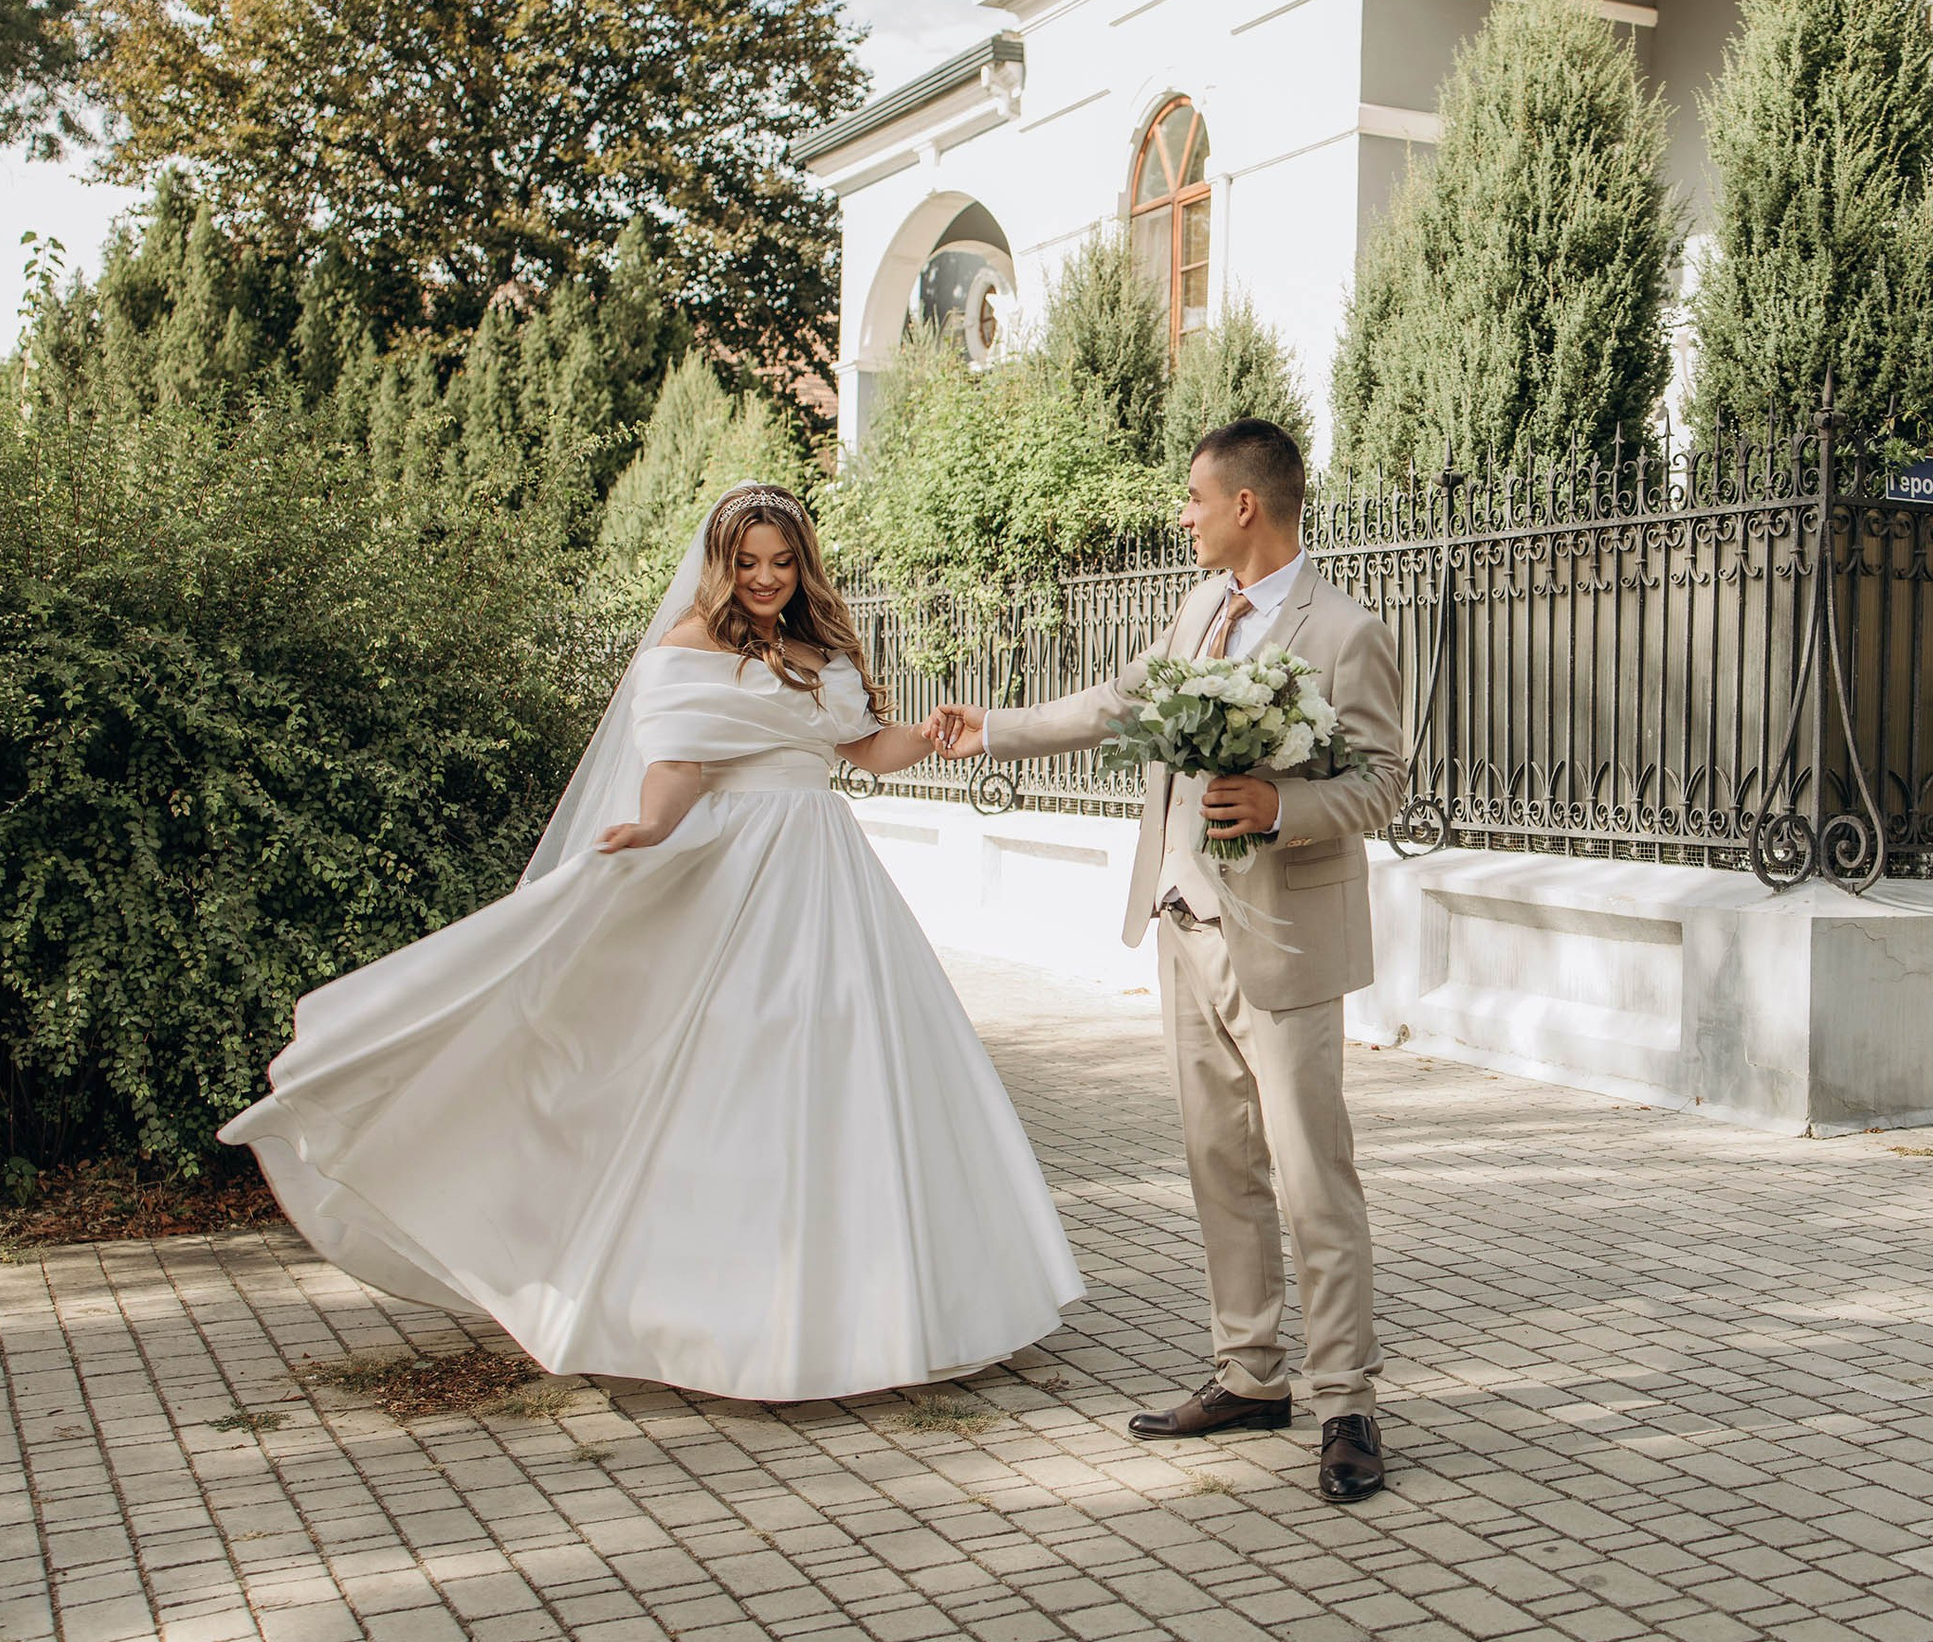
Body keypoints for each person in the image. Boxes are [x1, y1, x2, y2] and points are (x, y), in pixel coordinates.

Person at [219, 484, 1083, 1403]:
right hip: (738, 872)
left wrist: (934, 736)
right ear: (721, 564)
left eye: (781, 562)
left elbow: (864, 752)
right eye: (747, 563)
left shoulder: (821, 652)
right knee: (733, 1065)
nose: (764, 578)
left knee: (854, 1059)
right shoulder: (685, 651)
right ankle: (719, 1314)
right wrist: (649, 826)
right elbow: (676, 769)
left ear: (803, 565)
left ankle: (879, 1310)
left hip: (828, 872)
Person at [928, 419, 1407, 1503]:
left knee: (1313, 1177)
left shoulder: (1347, 631)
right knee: (1218, 1162)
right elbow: (1116, 703)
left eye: (1195, 498)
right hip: (1185, 922)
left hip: (1286, 937)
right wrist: (990, 729)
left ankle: (1347, 1404)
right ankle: (1248, 1374)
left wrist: (1281, 805)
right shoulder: (1199, 609)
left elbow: (1384, 781)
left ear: (1245, 504)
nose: (1182, 515)